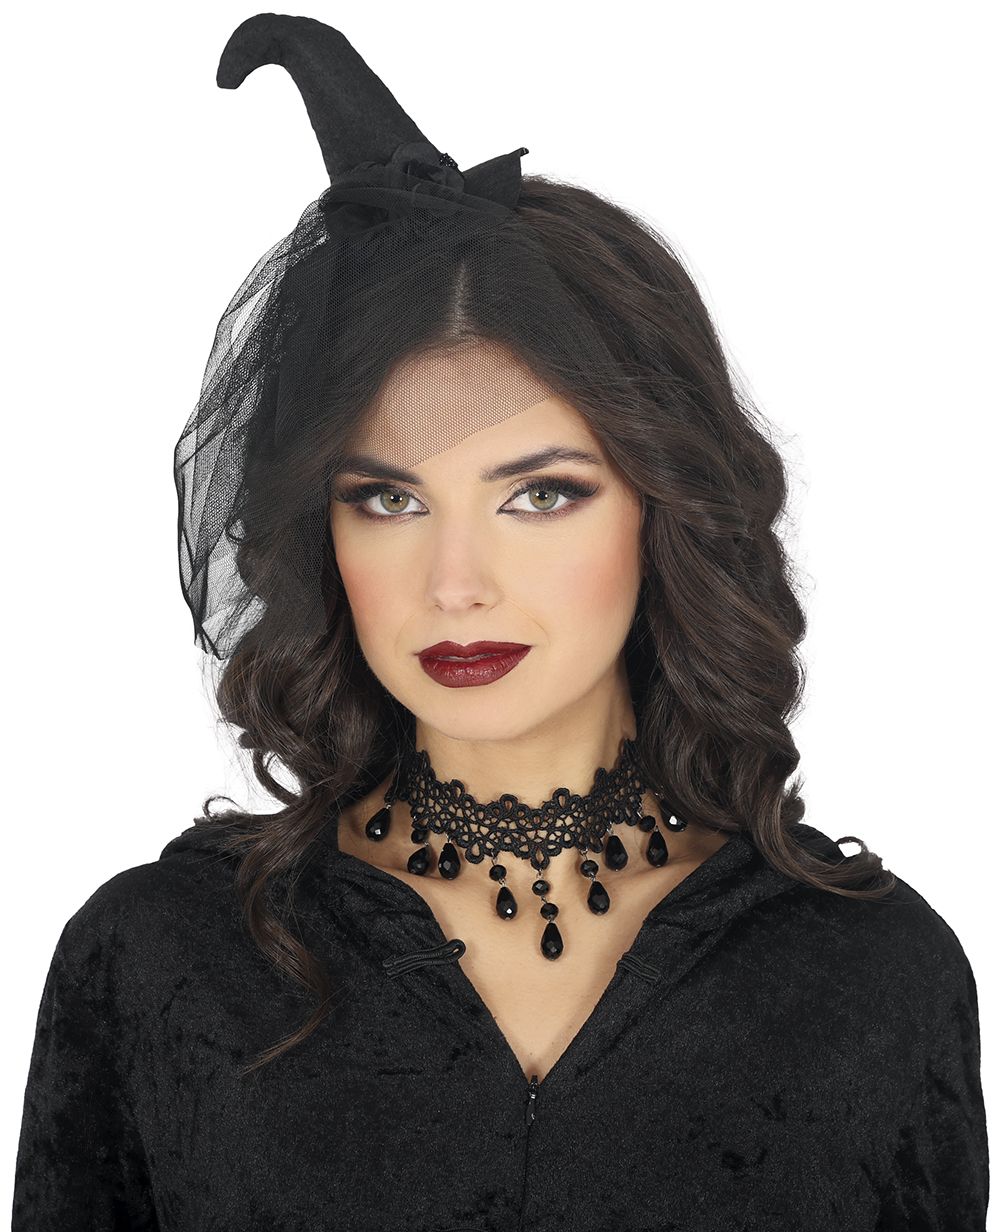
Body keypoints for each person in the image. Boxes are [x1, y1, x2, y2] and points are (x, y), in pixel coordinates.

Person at [12, 13, 988, 1231]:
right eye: (388, 499)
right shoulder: (162, 957)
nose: (454, 581)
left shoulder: (866, 973)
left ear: (665, 508)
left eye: (539, 494)